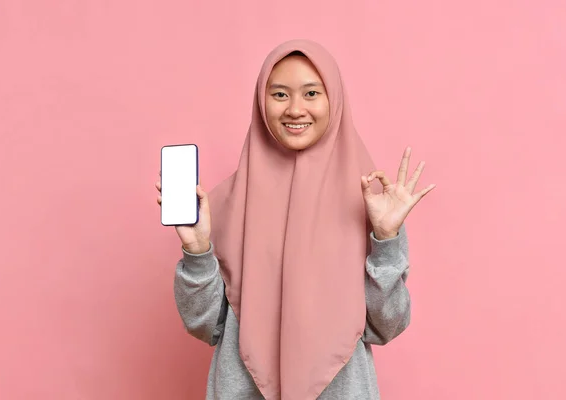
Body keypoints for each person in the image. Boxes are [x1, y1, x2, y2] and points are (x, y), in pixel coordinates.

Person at [155, 39, 435, 400]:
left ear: (334, 101)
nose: (295, 109)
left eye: (312, 93)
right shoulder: (224, 203)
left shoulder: (373, 201)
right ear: (261, 102)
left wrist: (386, 240)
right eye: (280, 95)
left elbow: (387, 325)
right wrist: (197, 252)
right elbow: (205, 326)